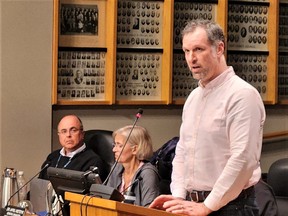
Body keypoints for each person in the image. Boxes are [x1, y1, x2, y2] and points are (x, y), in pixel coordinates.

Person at [149, 19, 266, 216]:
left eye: (198, 49)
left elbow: (243, 159)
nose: (190, 58)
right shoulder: (194, 97)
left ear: (219, 48)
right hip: (193, 204)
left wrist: (207, 206)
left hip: (233, 206)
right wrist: (178, 196)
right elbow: (183, 151)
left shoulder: (242, 95)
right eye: (186, 51)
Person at [39, 114, 106, 181]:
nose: (68, 135)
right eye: (64, 131)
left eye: (73, 130)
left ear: (82, 134)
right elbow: (40, 186)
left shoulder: (93, 162)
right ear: (59, 135)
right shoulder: (52, 157)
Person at [106, 125, 160, 207]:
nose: (114, 150)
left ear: (135, 149)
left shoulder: (148, 174)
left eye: (120, 145)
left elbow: (150, 210)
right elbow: (106, 200)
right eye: (114, 145)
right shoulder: (116, 169)